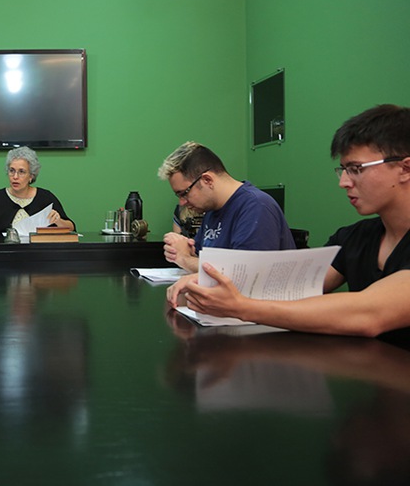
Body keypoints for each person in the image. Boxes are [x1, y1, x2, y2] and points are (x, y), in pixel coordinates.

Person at [166, 104, 410, 337]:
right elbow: (289, 288)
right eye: (343, 170)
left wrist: (240, 306)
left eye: (356, 168)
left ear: (405, 168)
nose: (344, 182)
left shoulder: (255, 204)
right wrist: (212, 281)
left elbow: (368, 315)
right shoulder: (354, 238)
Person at [159, 141, 295, 273]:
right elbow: (199, 258)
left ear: (207, 180)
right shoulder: (211, 210)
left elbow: (243, 273)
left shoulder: (256, 206)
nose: (182, 202)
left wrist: (184, 259)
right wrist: (182, 249)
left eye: (184, 193)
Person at [0, 147, 74, 234]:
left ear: (31, 176)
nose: (15, 177)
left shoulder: (45, 197)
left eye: (21, 172)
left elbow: (71, 227)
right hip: (4, 252)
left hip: (39, 252)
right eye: (12, 171)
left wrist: (58, 221)